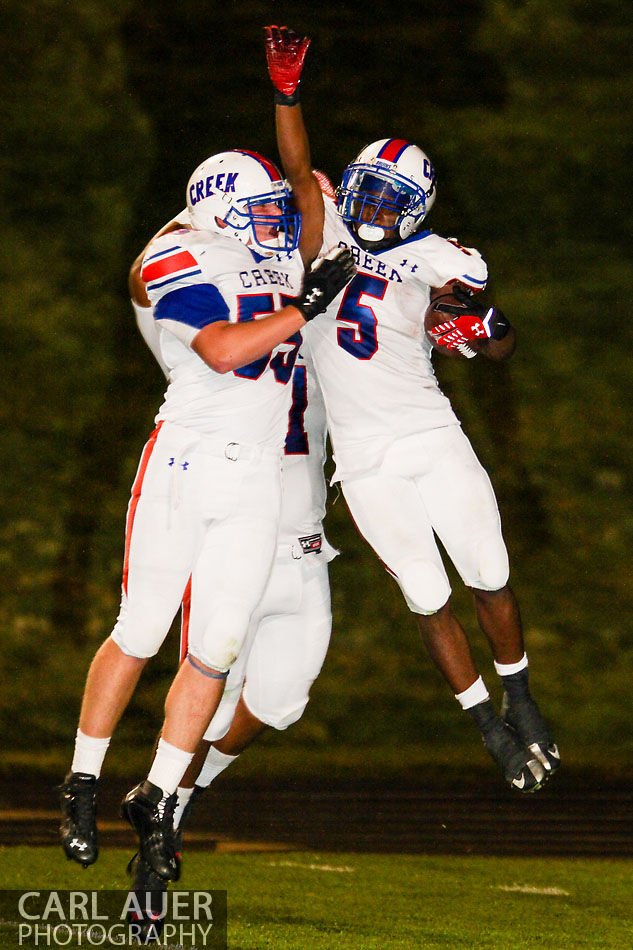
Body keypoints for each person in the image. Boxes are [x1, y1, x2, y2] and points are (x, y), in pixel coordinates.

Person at [263, 26, 560, 793]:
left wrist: (484, 329)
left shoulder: (439, 260)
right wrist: (286, 91)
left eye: (389, 200)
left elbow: (491, 341)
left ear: (418, 208)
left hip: (430, 435)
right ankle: (487, 729)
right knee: (426, 597)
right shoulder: (319, 230)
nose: (369, 207)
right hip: (362, 461)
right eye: (364, 191)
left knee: (488, 573)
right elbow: (298, 168)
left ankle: (521, 699)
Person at [59, 146, 355, 877]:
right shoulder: (175, 252)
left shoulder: (279, 250)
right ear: (218, 207)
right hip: (185, 461)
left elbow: (309, 209)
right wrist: (303, 307)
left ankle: (156, 800)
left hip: (257, 478)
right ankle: (81, 781)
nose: (273, 221)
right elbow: (222, 350)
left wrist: (298, 139)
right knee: (142, 626)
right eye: (257, 209)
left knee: (217, 649)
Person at [126, 247, 335, 936]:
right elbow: (155, 296)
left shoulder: (327, 344)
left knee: (281, 700)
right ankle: (154, 848)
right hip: (234, 528)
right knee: (207, 675)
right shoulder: (224, 347)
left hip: (301, 546)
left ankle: (176, 797)